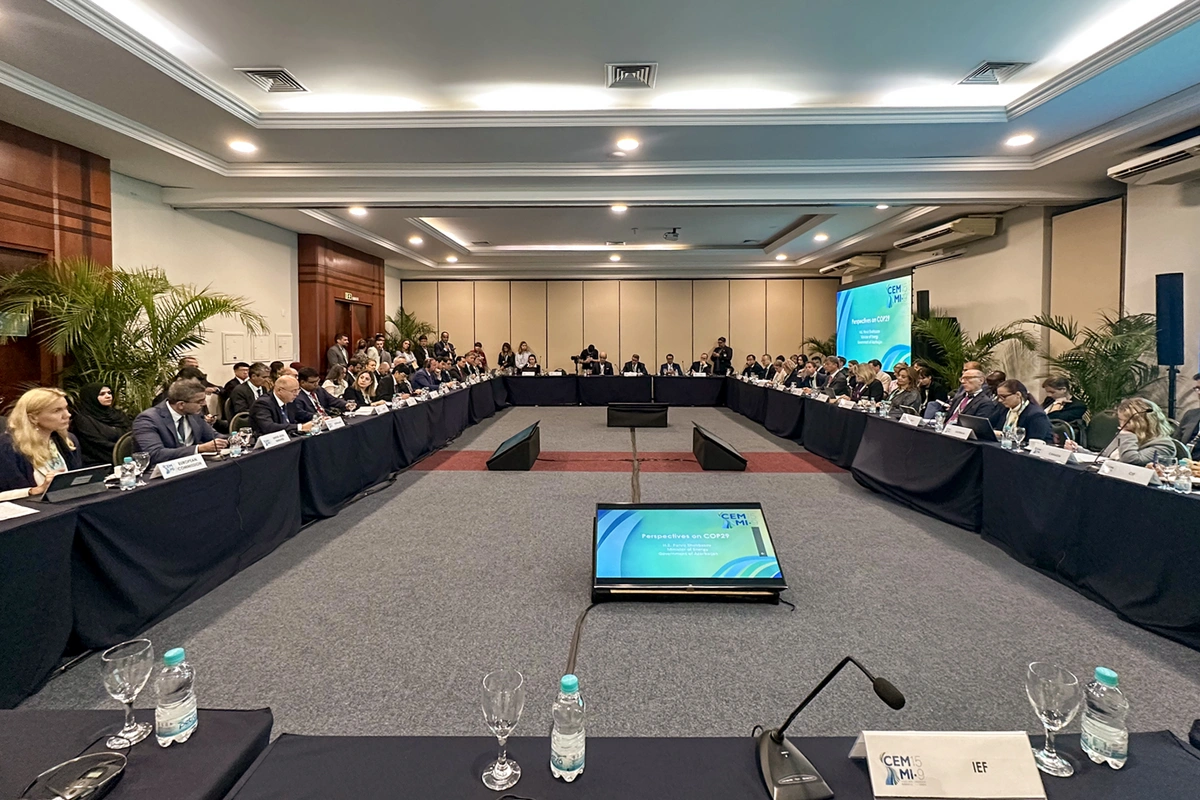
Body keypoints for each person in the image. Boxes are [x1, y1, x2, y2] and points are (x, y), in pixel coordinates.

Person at [0, 388, 82, 500]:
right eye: (57, 410)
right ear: (33, 418)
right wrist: (34, 490)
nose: (67, 415)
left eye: (66, 408)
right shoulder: (7, 447)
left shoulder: (68, 440)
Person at [133, 378, 226, 467]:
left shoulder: (194, 413)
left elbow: (213, 436)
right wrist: (199, 449)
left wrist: (230, 440)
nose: (204, 404)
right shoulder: (148, 419)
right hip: (162, 472)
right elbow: (155, 454)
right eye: (200, 401)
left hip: (193, 466)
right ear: (181, 404)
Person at [1065, 397, 1175, 466]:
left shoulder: (1163, 445)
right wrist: (1078, 450)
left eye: (1126, 421)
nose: (1121, 425)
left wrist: (1127, 436)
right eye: (1120, 420)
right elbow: (1104, 457)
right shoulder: (1127, 433)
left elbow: (1131, 461)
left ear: (1141, 422)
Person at [71, 383, 133, 466]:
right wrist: (121, 450)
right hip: (99, 464)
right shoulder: (83, 420)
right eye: (102, 394)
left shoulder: (118, 415)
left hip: (126, 459)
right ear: (91, 397)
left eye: (109, 393)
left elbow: (130, 435)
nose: (108, 396)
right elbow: (96, 444)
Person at [250, 375, 314, 436]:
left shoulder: (290, 401)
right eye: (293, 391)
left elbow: (302, 415)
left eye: (298, 390)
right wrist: (300, 427)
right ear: (279, 390)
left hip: (290, 438)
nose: (297, 394)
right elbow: (269, 427)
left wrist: (317, 419)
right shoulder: (262, 403)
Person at [1179, 373, 1200, 457]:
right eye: (1198, 389)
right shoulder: (1190, 415)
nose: (1199, 393)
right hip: (1184, 461)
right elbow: (1175, 443)